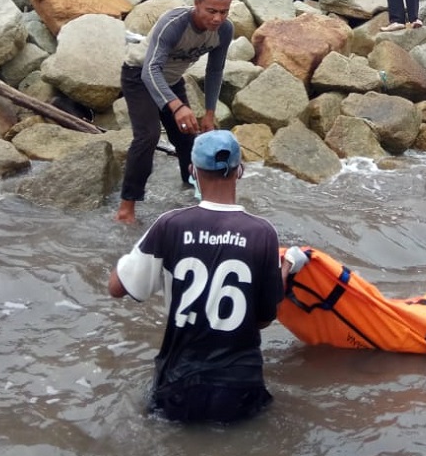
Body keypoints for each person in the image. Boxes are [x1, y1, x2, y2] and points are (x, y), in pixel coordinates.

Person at [109, 130, 305, 424]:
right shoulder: (262, 233)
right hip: (241, 389)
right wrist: (287, 265)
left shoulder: (170, 224)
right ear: (240, 171)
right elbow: (265, 318)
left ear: (192, 171)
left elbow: (116, 288)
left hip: (178, 387)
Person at [117, 0, 235, 224]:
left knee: (188, 140)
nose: (217, 18)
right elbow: (150, 70)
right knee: (147, 135)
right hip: (139, 76)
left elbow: (215, 71)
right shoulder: (174, 23)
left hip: (171, 81)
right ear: (197, 4)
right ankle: (126, 208)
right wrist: (177, 106)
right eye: (211, 11)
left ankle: (194, 195)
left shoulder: (224, 31)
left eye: (223, 12)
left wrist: (210, 112)